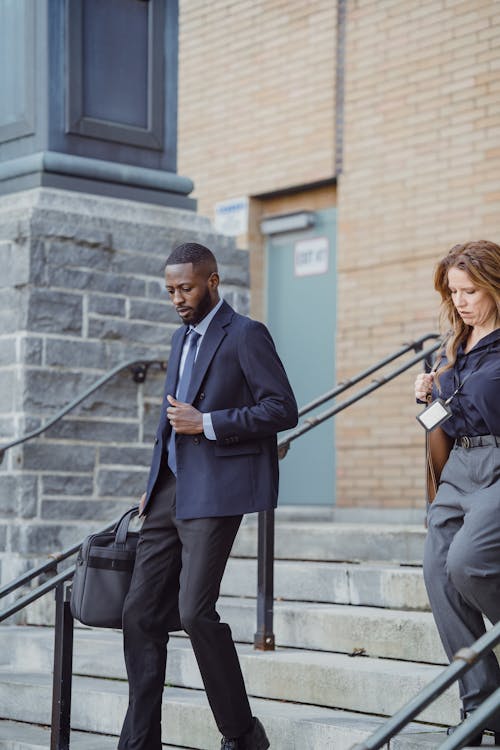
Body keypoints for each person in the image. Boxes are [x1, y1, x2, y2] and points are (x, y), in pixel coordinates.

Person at [118, 242, 298, 750]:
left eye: (186, 287)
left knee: (196, 612)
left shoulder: (245, 335)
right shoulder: (180, 338)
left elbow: (283, 408)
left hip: (217, 491)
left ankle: (242, 734)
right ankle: (139, 742)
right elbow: (167, 423)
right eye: (171, 289)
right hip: (168, 491)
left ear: (213, 282)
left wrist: (210, 424)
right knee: (139, 613)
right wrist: (153, 482)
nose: (177, 297)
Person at [414, 240, 500, 745]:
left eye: (471, 290)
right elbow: (442, 421)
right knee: (438, 574)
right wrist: (426, 396)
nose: (462, 300)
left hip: (497, 464)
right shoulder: (452, 348)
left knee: (468, 563)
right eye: (454, 291)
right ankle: (482, 705)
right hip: (458, 467)